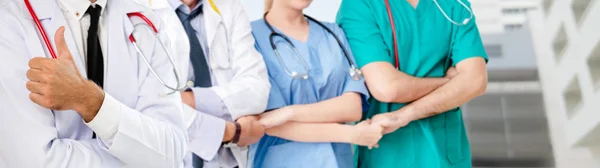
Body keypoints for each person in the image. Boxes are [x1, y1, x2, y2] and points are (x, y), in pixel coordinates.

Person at [0, 0, 188, 167]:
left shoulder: (145, 23)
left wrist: (90, 101)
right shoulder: (9, 21)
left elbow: (171, 151)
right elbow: (35, 161)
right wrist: (140, 155)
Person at [337, 0, 488, 167]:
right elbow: (388, 88)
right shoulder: (360, 5)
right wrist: (452, 81)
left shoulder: (454, 5)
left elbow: (476, 81)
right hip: (389, 154)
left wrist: (402, 116)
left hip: (445, 154)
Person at [247, 0, 385, 168]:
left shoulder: (333, 33)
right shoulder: (249, 38)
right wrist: (351, 134)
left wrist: (290, 112)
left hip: (338, 161)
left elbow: (353, 108)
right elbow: (267, 124)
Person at [140, 0, 272, 167]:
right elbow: (147, 107)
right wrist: (230, 132)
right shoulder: (137, 10)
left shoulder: (230, 9)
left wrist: (190, 99)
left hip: (228, 162)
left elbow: (257, 90)